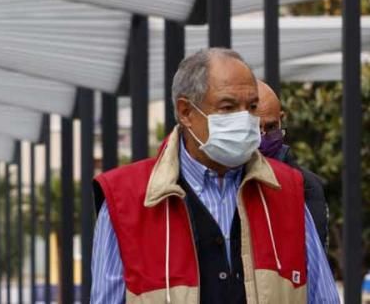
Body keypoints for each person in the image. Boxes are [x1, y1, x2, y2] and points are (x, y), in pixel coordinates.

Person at [90, 48, 338, 303]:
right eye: (228, 107)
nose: (245, 120)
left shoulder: (287, 193)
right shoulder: (125, 201)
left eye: (251, 107)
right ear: (186, 112)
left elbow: (322, 296)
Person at [256, 79, 330, 251]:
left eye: (271, 126)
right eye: (254, 128)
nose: (262, 137)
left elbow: (315, 261)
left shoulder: (307, 186)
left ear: (281, 119)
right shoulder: (221, 179)